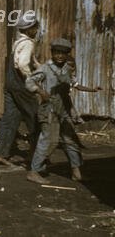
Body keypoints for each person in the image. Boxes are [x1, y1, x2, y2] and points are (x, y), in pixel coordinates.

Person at [25, 38, 101, 184]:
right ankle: (34, 171)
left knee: (70, 140)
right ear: (52, 53)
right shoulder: (45, 68)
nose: (60, 56)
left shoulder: (66, 68)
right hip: (49, 109)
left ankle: (76, 172)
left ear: (67, 54)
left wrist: (92, 89)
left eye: (63, 53)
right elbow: (29, 82)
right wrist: (41, 92)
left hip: (64, 109)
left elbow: (75, 83)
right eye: (57, 52)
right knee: (48, 140)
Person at [0, 14, 40, 166]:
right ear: (30, 29)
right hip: (21, 85)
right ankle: (36, 158)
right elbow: (23, 64)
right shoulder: (28, 44)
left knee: (10, 118)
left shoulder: (18, 41)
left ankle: (0, 154)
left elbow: (31, 61)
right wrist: (31, 79)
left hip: (11, 83)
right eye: (35, 27)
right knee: (35, 118)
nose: (37, 30)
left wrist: (43, 68)